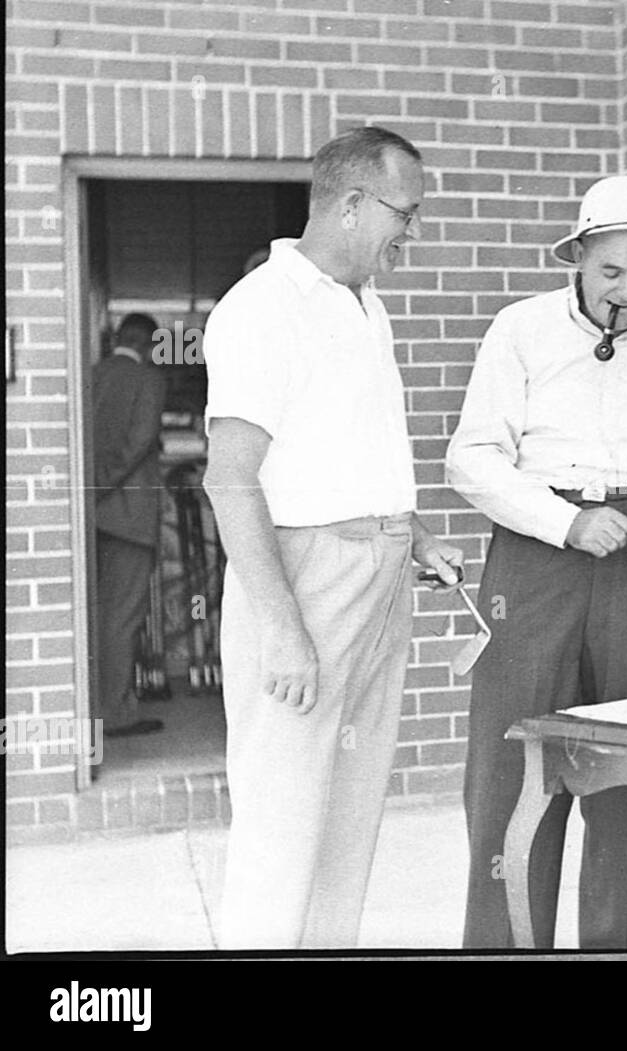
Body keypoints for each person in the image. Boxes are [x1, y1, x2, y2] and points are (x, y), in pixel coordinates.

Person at [447, 175, 627, 950]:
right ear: (577, 257)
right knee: (512, 779)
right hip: (538, 560)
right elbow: (470, 461)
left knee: (625, 784)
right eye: (613, 271)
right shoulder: (521, 329)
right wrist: (565, 522)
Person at [201, 126, 463, 950]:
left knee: (346, 825)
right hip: (305, 583)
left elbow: (346, 453)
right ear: (351, 204)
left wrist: (414, 535)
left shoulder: (363, 306)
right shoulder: (263, 309)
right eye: (404, 215)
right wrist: (283, 630)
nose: (409, 235)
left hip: (378, 579)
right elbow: (230, 480)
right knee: (281, 827)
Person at [93, 313, 168, 738]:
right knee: (123, 615)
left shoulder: (90, 374)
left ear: (119, 338)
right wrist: (103, 488)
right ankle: (117, 715)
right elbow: (139, 442)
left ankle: (96, 705)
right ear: (150, 344)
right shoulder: (148, 381)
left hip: (95, 519)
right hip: (129, 518)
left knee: (100, 613)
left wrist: (91, 495)